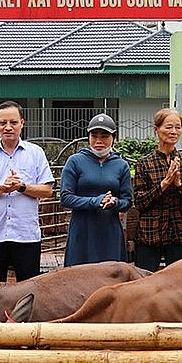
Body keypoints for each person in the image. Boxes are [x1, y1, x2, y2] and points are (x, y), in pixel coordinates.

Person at [0, 101, 54, 282]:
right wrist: (1, 188)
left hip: (26, 235)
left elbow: (47, 191)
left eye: (13, 123)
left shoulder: (35, 153)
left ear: (22, 123)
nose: (8, 127)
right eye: (3, 123)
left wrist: (21, 187)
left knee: (28, 289)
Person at [133, 108, 182, 271]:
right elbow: (140, 202)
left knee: (180, 282)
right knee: (146, 282)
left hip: (180, 232)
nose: (173, 132)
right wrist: (164, 183)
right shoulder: (144, 163)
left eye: (178, 127)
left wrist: (179, 184)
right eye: (168, 127)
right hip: (150, 233)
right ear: (156, 129)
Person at [60, 113, 132, 267]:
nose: (99, 141)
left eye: (105, 136)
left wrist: (115, 202)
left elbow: (127, 201)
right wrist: (95, 201)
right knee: (79, 277)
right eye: (94, 135)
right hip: (82, 230)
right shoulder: (75, 161)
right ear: (88, 138)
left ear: (113, 138)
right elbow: (65, 197)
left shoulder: (121, 165)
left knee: (110, 277)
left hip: (109, 231)